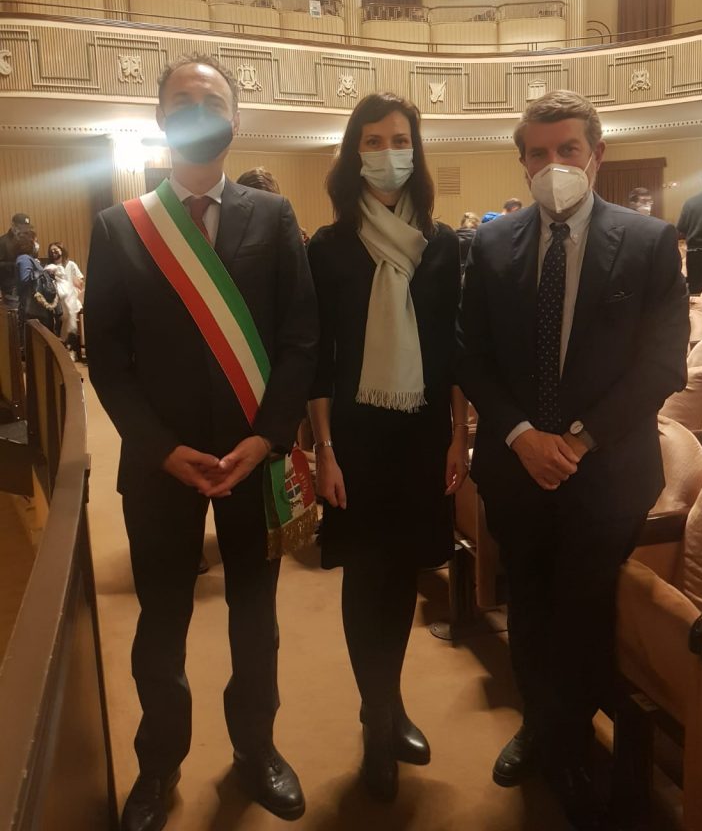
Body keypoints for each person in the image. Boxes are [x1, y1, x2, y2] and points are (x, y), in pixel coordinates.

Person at [85, 53, 317, 831]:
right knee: (160, 627)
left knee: (256, 622)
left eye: (212, 100)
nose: (197, 110)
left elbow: (299, 339)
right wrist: (159, 447)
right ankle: (158, 767)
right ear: (160, 116)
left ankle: (257, 749)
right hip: (161, 468)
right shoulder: (120, 227)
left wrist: (268, 438)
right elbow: (108, 360)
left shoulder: (272, 217)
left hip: (254, 461)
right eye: (182, 99)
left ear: (235, 119)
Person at [458, 90, 689, 830]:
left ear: (596, 154)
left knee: (586, 612)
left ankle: (571, 742)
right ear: (522, 162)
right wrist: (523, 435)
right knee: (527, 605)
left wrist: (580, 441)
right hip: (517, 466)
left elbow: (662, 364)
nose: (553, 164)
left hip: (608, 471)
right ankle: (540, 726)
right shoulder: (492, 244)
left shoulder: (649, 242)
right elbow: (472, 354)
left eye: (568, 149)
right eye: (538, 153)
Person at [307, 92, 468, 802]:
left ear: (416, 149)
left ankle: (391, 700)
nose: (386, 152)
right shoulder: (328, 246)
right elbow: (318, 359)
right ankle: (376, 719)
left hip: (423, 432)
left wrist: (458, 436)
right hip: (355, 435)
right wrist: (324, 448)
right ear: (354, 153)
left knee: (401, 573)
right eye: (371, 140)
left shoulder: (443, 244)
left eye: (399, 139)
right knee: (364, 574)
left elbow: (454, 351)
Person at [15, 229, 61, 334]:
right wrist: (44, 272)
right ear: (29, 243)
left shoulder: (28, 258)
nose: (37, 244)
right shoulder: (24, 259)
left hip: (38, 309)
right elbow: (25, 279)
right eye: (36, 241)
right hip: (34, 310)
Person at [45, 242, 84, 358]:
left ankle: (72, 349)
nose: (53, 252)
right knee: (59, 322)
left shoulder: (70, 264)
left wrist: (72, 282)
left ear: (62, 250)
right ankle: (62, 351)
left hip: (70, 298)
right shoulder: (49, 267)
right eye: (51, 250)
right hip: (56, 300)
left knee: (71, 319)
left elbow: (80, 283)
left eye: (56, 249)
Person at [0, 212, 32, 307]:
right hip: (11, 288)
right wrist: (17, 264)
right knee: (16, 313)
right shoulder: (2, 242)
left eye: (27, 227)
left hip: (28, 286)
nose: (25, 230)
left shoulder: (28, 240)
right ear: (13, 226)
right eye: (22, 227)